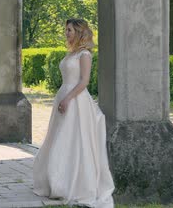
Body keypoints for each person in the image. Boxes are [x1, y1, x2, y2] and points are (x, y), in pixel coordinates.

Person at [33, 18, 115, 208]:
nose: (66, 33)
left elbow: (84, 81)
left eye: (69, 30)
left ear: (78, 32)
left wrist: (68, 98)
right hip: (64, 96)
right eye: (66, 30)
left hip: (76, 100)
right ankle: (57, 180)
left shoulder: (84, 54)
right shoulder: (72, 53)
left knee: (72, 140)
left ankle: (73, 184)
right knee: (59, 138)